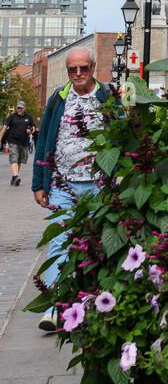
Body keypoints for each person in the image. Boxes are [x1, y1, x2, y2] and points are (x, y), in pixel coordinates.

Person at [31, 48, 112, 332]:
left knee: (98, 244)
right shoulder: (58, 98)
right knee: (58, 245)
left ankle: (96, 304)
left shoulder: (107, 96)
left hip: (98, 185)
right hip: (62, 185)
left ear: (92, 67)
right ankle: (54, 308)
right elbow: (43, 143)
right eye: (72, 70)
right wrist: (39, 184)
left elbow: (123, 135)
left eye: (83, 68)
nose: (78, 74)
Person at [1, 99, 36, 186]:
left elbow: (34, 127)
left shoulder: (29, 117)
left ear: (24, 108)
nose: (19, 109)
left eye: (21, 108)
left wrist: (30, 131)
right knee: (14, 158)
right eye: (18, 108)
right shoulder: (12, 117)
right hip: (13, 141)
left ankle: (14, 177)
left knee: (19, 161)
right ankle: (16, 177)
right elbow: (4, 128)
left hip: (24, 142)